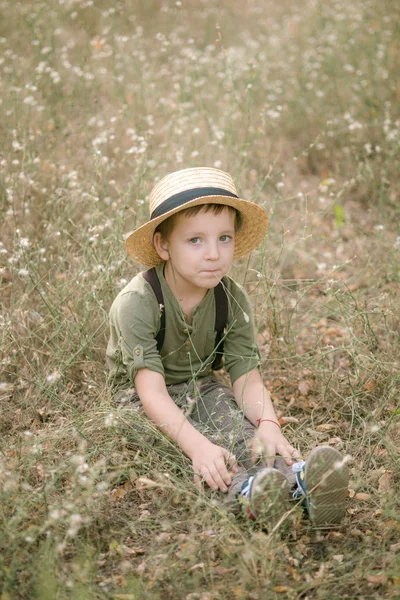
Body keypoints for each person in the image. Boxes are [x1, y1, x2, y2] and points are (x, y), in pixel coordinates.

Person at [106, 167, 349, 529]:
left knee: (240, 429)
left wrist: (269, 423)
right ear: (163, 245)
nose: (213, 254)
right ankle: (248, 496)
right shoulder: (137, 303)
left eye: (224, 238)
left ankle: (297, 483)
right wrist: (197, 446)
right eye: (195, 241)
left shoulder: (230, 298)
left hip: (199, 383)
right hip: (138, 399)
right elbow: (152, 394)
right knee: (201, 453)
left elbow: (246, 378)